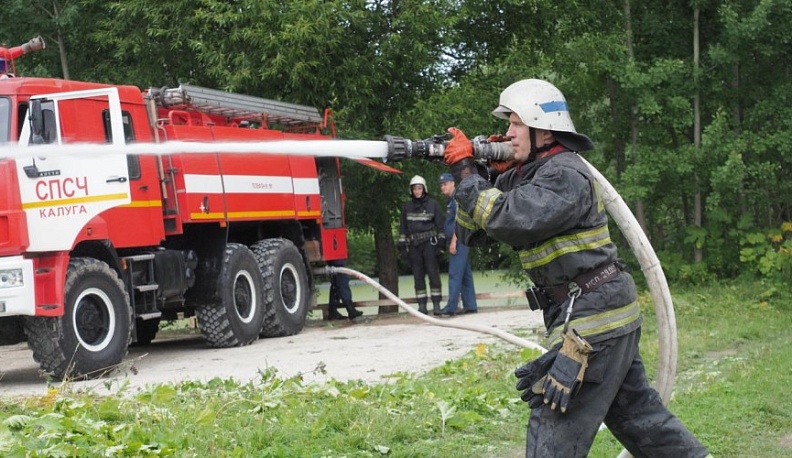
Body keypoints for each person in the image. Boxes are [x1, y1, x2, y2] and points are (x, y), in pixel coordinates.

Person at [442, 79, 710, 457]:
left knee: (554, 428)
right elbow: (474, 233)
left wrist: (467, 173)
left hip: (591, 323)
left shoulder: (564, 174)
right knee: (640, 421)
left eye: (516, 124)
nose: (506, 133)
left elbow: (506, 218)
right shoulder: (527, 175)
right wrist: (480, 174)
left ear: (543, 129)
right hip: (599, 313)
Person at [398, 175, 445, 315]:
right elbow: (403, 228)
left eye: (419, 188)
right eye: (415, 189)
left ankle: (436, 304)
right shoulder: (407, 207)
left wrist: (441, 245)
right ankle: (422, 306)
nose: (417, 191)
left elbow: (440, 226)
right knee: (418, 276)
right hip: (414, 245)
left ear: (424, 189)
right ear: (411, 190)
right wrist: (402, 246)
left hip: (429, 244)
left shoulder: (433, 204)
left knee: (433, 274)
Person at [437, 172, 478, 316]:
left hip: (459, 240)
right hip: (462, 240)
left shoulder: (456, 199)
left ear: (453, 183)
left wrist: (454, 241)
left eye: (445, 184)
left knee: (454, 274)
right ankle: (470, 305)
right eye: (441, 185)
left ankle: (451, 307)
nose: (443, 187)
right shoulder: (451, 200)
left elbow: (459, 221)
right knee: (465, 274)